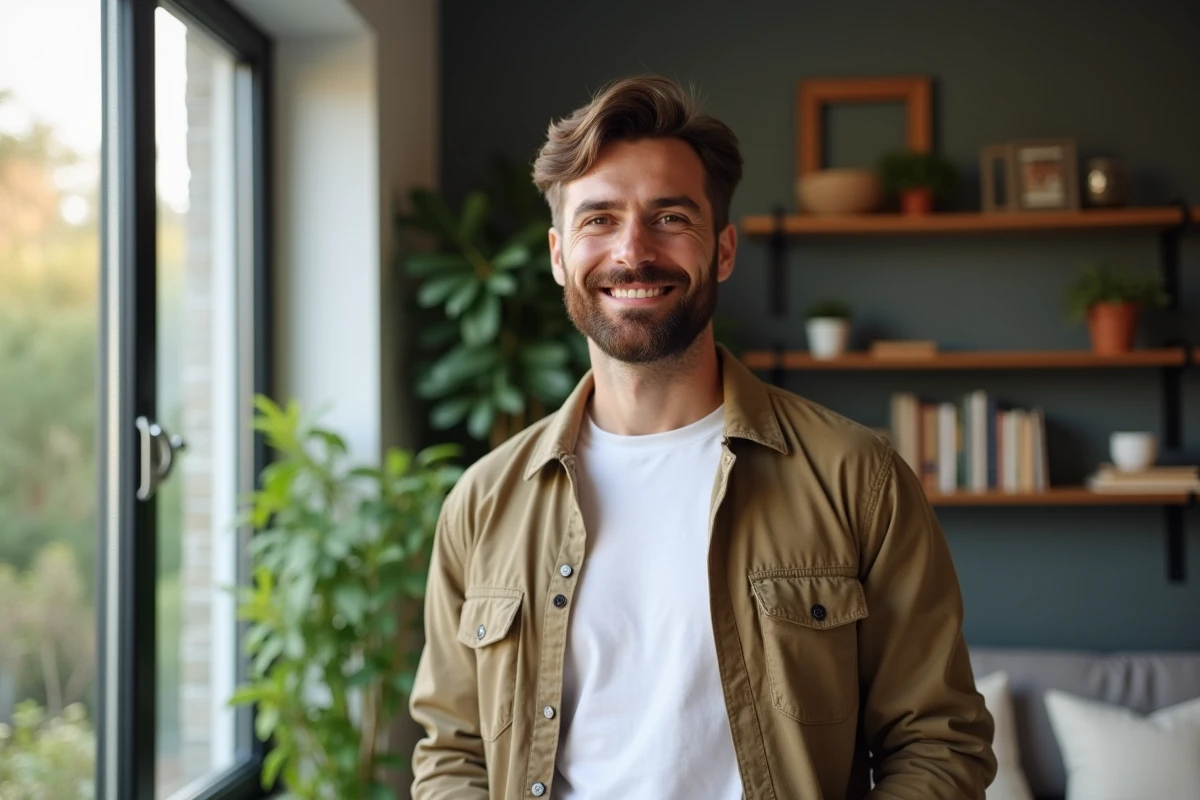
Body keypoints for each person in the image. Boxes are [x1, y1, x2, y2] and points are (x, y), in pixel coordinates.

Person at [409, 74, 996, 800]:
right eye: (599, 220)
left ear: (721, 251)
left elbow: (938, 742)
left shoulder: (856, 477)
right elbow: (452, 753)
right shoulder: (484, 501)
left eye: (669, 217)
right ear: (560, 255)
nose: (633, 251)